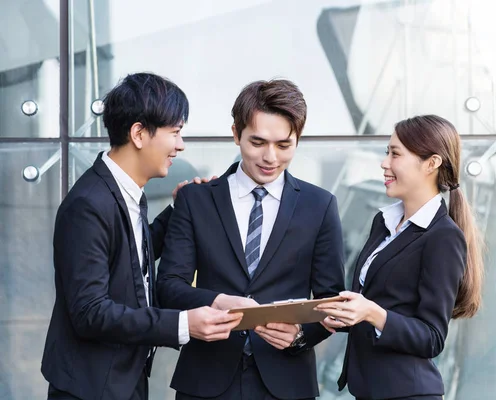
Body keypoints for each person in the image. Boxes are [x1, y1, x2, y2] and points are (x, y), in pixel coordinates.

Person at [41, 72, 242, 400]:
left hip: (122, 380)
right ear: (138, 133)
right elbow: (90, 311)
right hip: (91, 388)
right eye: (175, 132)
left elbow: (126, 256)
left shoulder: (125, 193)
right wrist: (182, 324)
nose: (180, 145)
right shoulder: (88, 205)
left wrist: (177, 209)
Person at [156, 78, 346, 400]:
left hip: (287, 383)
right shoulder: (195, 199)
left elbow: (330, 301)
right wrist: (218, 302)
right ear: (235, 134)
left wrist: (299, 335)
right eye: (257, 142)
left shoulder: (320, 205)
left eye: (284, 145)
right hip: (205, 380)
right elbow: (169, 287)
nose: (270, 157)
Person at [317, 115, 484, 400]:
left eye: (395, 154)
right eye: (387, 152)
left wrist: (371, 313)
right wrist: (343, 315)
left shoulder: (443, 236)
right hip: (367, 390)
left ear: (431, 163)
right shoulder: (383, 221)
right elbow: (381, 302)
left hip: (407, 393)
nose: (385, 163)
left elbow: (432, 337)